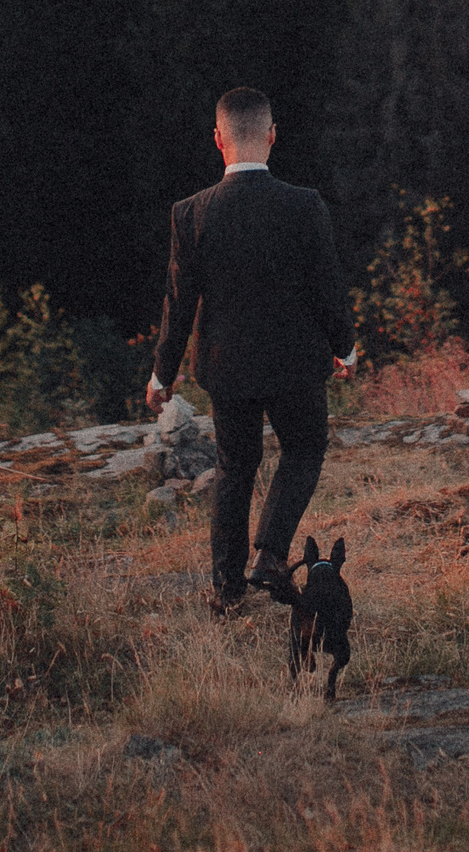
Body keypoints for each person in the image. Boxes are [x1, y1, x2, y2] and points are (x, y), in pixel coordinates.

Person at [149, 87, 357, 614]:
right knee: (305, 449)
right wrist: (346, 348)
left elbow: (178, 304)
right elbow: (328, 286)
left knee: (234, 467)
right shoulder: (304, 206)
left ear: (218, 139)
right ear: (271, 135)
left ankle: (226, 591)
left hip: (227, 366)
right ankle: (268, 552)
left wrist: (161, 374)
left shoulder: (190, 214)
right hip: (296, 364)